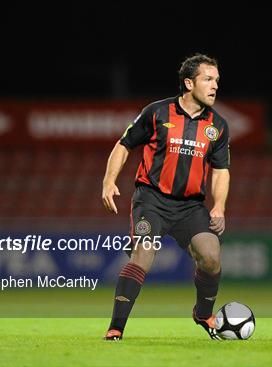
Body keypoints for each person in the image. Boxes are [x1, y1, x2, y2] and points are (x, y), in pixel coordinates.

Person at [101, 53, 230, 340]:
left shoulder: (218, 125)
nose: (215, 86)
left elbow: (221, 171)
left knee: (210, 256)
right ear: (188, 83)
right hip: (152, 200)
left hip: (191, 206)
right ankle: (116, 328)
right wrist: (109, 181)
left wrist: (219, 206)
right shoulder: (157, 112)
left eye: (217, 80)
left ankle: (203, 313)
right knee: (143, 255)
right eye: (208, 79)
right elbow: (124, 145)